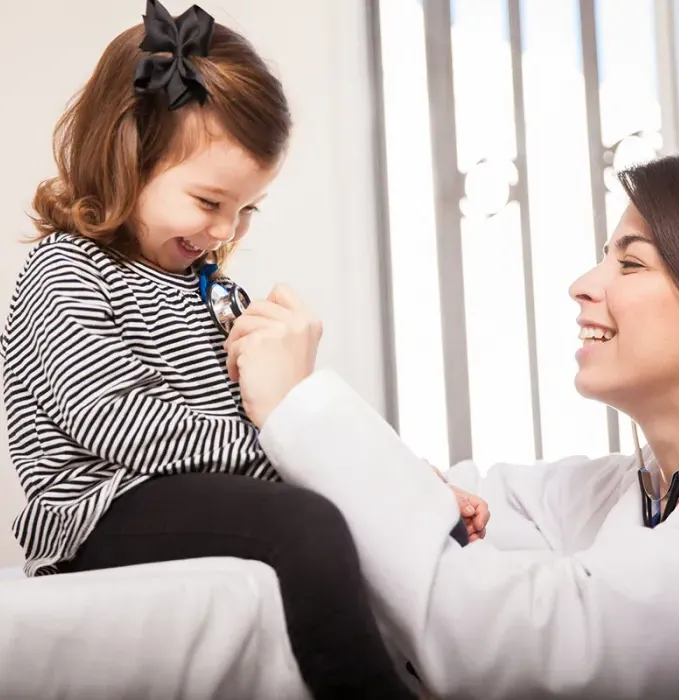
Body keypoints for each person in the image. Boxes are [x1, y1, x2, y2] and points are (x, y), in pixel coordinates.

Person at [226, 153, 679, 699]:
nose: (582, 283)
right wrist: (411, 489)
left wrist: (300, 403)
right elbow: (445, 510)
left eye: (630, 263)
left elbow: (507, 645)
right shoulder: (618, 492)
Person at [0, 1, 487, 697]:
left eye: (248, 209)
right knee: (304, 523)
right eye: (209, 201)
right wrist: (290, 460)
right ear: (127, 155)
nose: (226, 228)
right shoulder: (67, 269)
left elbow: (287, 414)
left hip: (199, 493)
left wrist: (401, 479)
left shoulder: (215, 290)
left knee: (372, 519)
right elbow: (112, 420)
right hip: (98, 514)